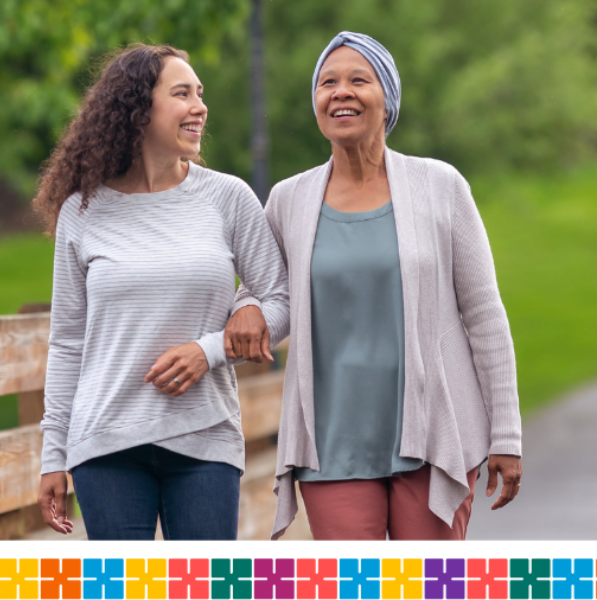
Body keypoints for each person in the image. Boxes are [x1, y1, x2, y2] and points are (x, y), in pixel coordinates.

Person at [225, 31, 522, 540]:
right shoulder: (288, 200)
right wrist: (246, 304)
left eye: (358, 80)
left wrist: (506, 434)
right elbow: (264, 292)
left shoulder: (440, 186)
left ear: (388, 100)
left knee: (428, 589)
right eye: (327, 82)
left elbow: (485, 316)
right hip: (332, 441)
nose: (340, 91)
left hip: (433, 438)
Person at [32, 44, 289, 540]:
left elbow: (279, 299)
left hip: (206, 439)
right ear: (137, 110)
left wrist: (209, 351)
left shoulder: (227, 197)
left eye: (200, 93)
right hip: (105, 445)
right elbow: (67, 342)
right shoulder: (81, 212)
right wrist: (54, 454)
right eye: (182, 93)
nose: (200, 106)